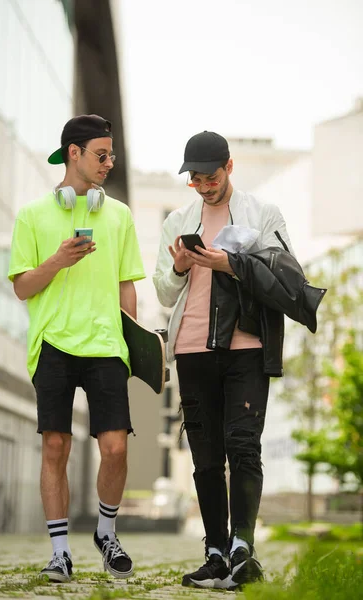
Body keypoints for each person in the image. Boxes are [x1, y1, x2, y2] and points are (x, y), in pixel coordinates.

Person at [153, 131, 295, 590]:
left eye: (209, 177)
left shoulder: (263, 214)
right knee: (206, 456)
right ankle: (215, 553)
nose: (203, 185)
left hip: (247, 345)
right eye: (194, 179)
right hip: (192, 348)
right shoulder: (179, 218)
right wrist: (179, 266)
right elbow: (162, 290)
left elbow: (287, 276)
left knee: (243, 444)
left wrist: (229, 264)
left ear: (229, 168)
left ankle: (243, 548)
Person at [8, 115, 145, 583]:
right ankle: (60, 551)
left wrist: (134, 342)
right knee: (55, 445)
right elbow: (23, 288)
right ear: (73, 153)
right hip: (53, 343)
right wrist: (57, 261)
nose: (109, 163)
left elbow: (128, 285)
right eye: (100, 155)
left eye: (111, 155)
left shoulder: (120, 215)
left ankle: (106, 534)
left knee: (116, 448)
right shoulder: (32, 215)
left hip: (107, 344)